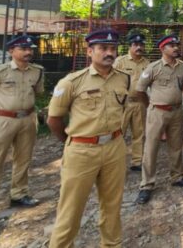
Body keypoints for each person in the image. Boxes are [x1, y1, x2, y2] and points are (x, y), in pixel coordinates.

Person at [47, 29, 130, 247]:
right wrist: (70, 142)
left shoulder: (123, 79)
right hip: (82, 150)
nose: (109, 53)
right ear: (90, 51)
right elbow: (54, 119)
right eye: (103, 48)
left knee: (112, 206)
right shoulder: (72, 82)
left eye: (112, 49)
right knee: (71, 210)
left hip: (114, 147)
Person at [0, 35, 43, 224]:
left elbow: (37, 92)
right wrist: (2, 110)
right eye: (23, 49)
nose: (28, 52)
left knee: (23, 159)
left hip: (28, 119)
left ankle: (19, 194)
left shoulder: (37, 72)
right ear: (11, 51)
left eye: (30, 49)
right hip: (3, 121)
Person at [135, 35, 183, 205]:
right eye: (171, 45)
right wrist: (151, 106)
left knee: (176, 145)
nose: (175, 47)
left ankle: (177, 176)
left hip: (176, 111)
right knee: (151, 147)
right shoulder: (153, 68)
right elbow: (140, 90)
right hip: (157, 111)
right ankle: (147, 185)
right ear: (162, 49)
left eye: (176, 45)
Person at [114, 33, 151, 172]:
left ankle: (137, 162)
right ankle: (115, 162)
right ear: (130, 47)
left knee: (139, 133)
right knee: (118, 134)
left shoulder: (147, 64)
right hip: (123, 103)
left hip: (140, 103)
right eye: (135, 45)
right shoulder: (120, 61)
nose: (139, 47)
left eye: (141, 45)